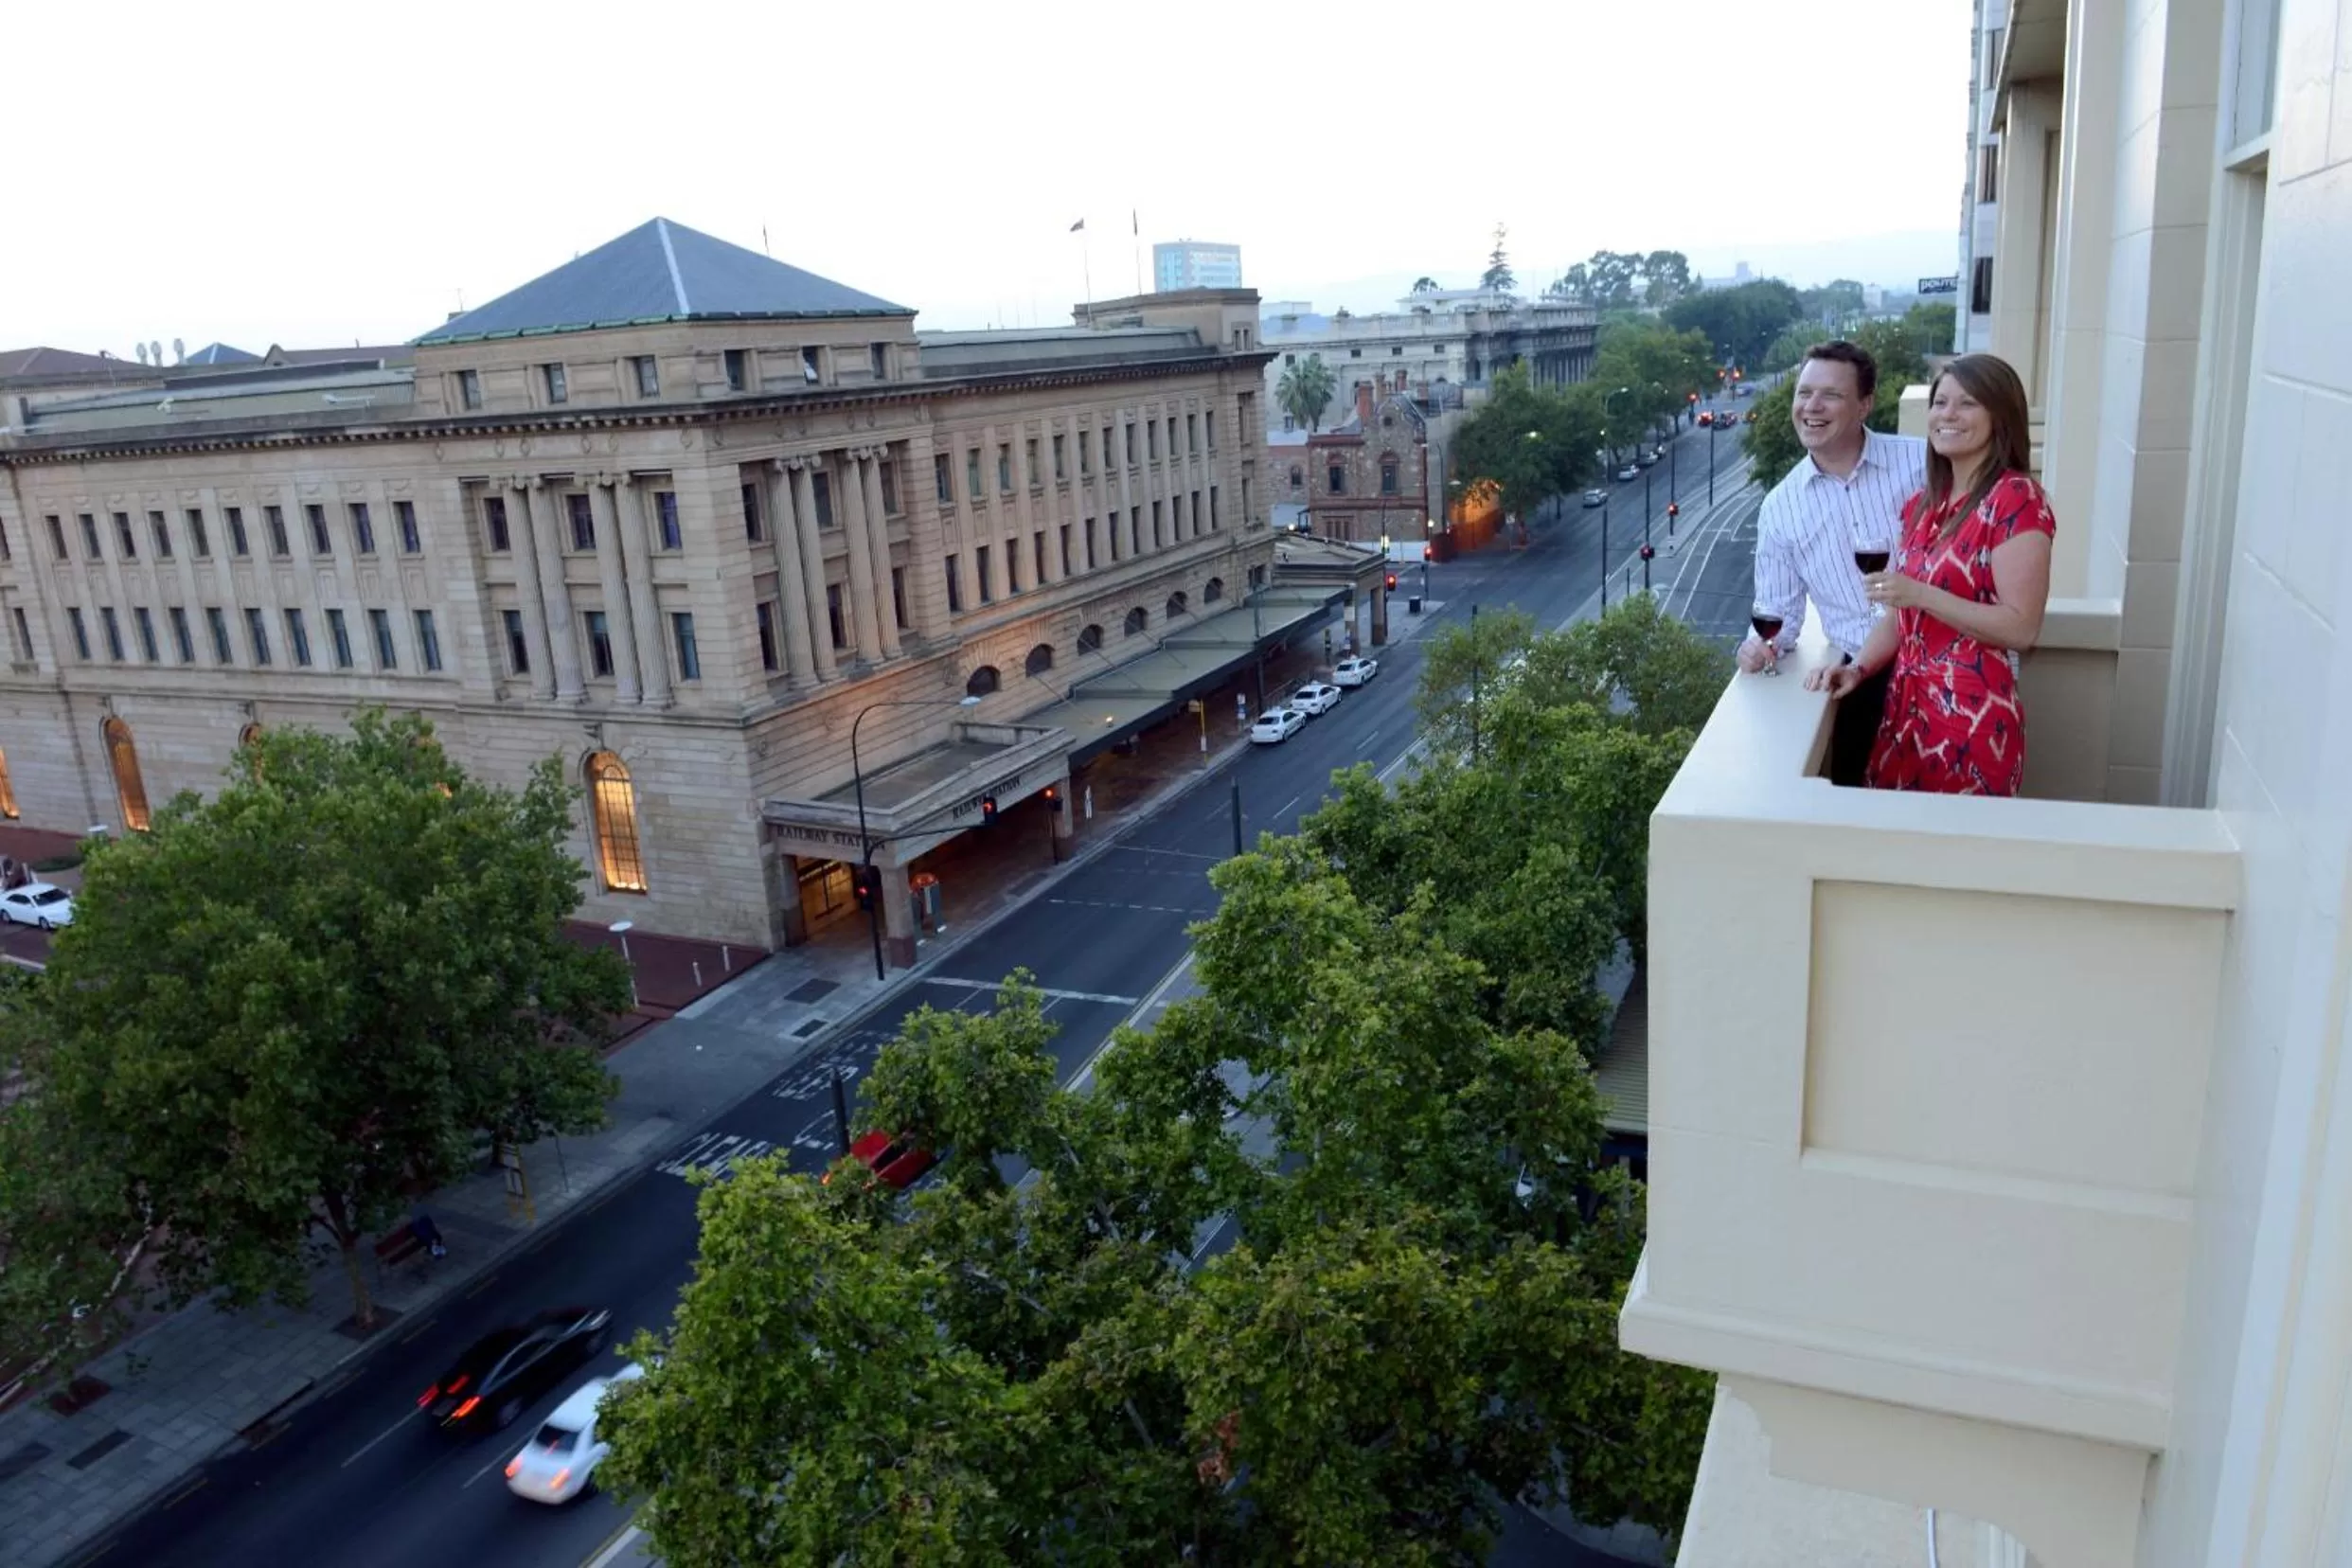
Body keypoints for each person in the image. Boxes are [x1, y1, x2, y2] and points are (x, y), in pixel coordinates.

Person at [1823, 353, 2054, 796]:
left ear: (1999, 415)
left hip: (1970, 718)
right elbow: (1900, 611)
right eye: (1939, 402)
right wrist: (1859, 668)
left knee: (1955, 859)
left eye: (1966, 404)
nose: (1947, 415)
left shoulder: (2015, 498)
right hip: (1905, 711)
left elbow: (2022, 627)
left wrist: (1922, 594)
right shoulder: (1924, 504)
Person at [1740, 342, 1928, 785]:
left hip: (1939, 667)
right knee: (1862, 823)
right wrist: (1755, 646)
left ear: (1865, 404)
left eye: (1831, 395)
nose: (1812, 407)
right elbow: (1778, 615)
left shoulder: (1922, 464)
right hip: (1859, 683)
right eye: (1804, 393)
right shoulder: (1780, 507)